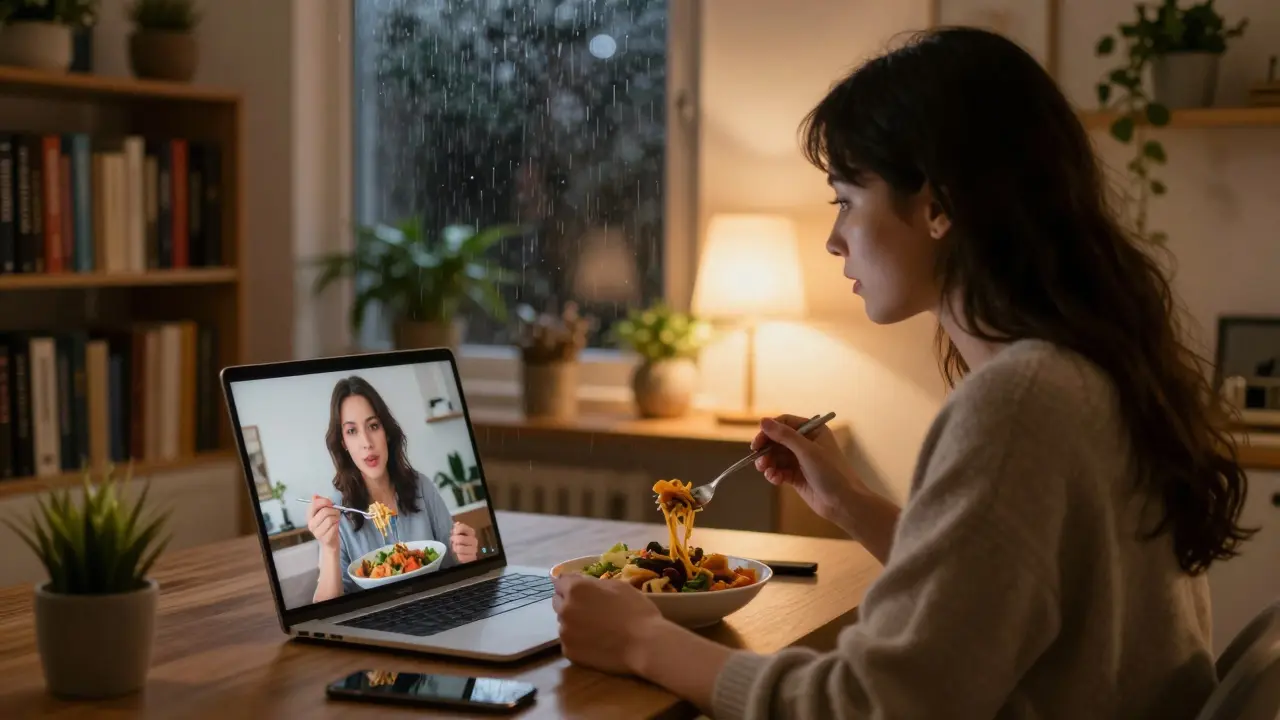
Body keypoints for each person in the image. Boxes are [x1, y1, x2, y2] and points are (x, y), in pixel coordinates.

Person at [551, 27, 1254, 719]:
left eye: (847, 201)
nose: (834, 238)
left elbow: (872, 706)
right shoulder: (1091, 372)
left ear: (938, 204)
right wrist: (849, 501)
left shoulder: (1023, 400)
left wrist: (645, 640)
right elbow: (991, 598)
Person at [306, 375, 480, 603]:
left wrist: (470, 556)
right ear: (343, 444)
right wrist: (329, 548)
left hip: (436, 610)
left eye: (373, 426)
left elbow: (453, 565)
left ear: (386, 432)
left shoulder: (422, 487)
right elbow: (325, 610)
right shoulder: (336, 511)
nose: (367, 442)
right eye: (352, 431)